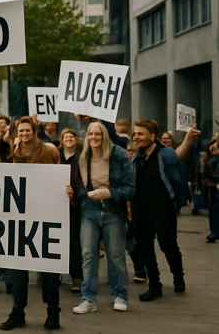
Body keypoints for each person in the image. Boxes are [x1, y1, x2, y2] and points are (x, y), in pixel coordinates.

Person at [0, 116, 64, 331]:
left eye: (28, 130)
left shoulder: (49, 150)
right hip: (21, 216)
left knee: (48, 268)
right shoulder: (14, 153)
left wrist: (66, 189)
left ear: (34, 131)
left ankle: (53, 311)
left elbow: (61, 177)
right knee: (18, 268)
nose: (24, 134)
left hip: (46, 214)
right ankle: (18, 311)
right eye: (21, 131)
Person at [69, 122, 135, 314]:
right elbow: (78, 186)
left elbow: (130, 188)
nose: (94, 137)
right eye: (91, 134)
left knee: (116, 255)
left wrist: (109, 193)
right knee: (88, 255)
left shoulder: (119, 154)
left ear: (104, 135)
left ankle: (120, 295)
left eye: (98, 134)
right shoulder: (83, 156)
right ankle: (88, 298)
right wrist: (74, 192)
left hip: (113, 210)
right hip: (89, 210)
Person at [131, 119, 187, 302]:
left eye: (140, 133)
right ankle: (155, 285)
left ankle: (178, 276)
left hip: (163, 209)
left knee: (168, 245)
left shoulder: (166, 154)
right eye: (135, 133)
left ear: (152, 136)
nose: (135, 137)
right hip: (142, 209)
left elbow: (179, 180)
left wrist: (176, 203)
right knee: (145, 247)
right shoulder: (137, 157)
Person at [59, 129, 83, 293]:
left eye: (71, 136)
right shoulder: (56, 156)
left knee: (74, 241)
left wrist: (76, 193)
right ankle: (58, 272)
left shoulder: (81, 158)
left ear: (76, 139)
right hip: (56, 204)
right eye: (65, 137)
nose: (68, 139)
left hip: (75, 205)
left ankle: (77, 277)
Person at [125, 141, 148, 284]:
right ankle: (138, 267)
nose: (130, 153)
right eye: (128, 150)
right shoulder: (121, 165)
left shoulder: (141, 164)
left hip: (140, 207)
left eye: (133, 151)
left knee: (138, 240)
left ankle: (141, 269)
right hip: (124, 207)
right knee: (127, 240)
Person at [203, 135, 219, 243]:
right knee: (214, 209)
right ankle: (214, 231)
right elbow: (206, 174)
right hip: (214, 188)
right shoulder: (210, 157)